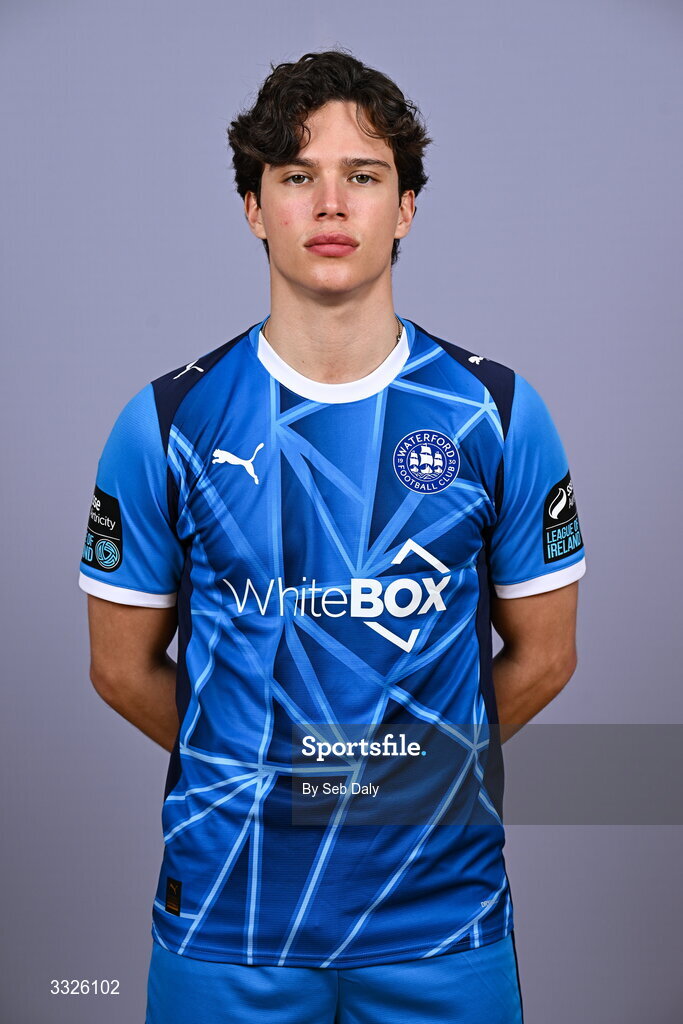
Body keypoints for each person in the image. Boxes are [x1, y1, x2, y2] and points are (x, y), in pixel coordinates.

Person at [78, 48, 585, 1024]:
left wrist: (402, 775)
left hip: (443, 921)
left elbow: (547, 656)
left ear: (403, 208)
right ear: (251, 205)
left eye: (363, 176)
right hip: (228, 924)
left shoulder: (495, 413)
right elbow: (118, 669)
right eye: (295, 177)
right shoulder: (166, 422)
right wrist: (261, 770)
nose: (329, 205)